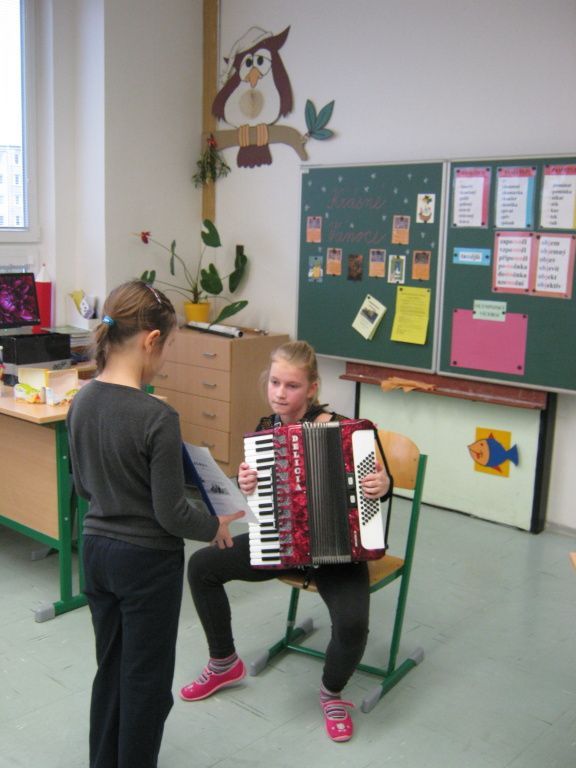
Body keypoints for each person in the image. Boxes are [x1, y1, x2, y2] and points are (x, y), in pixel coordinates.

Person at [67, 280, 243, 768]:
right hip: (146, 565)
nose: (164, 360)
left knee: (111, 671)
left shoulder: (81, 400)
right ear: (150, 340)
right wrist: (214, 525)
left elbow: (83, 488)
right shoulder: (158, 416)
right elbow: (171, 513)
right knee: (146, 684)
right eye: (167, 347)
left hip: (97, 554)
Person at [181, 340, 391, 743]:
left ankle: (331, 694)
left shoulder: (346, 431)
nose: (280, 393)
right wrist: (248, 484)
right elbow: (262, 503)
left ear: (312, 388)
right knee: (202, 566)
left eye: (291, 386)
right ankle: (224, 663)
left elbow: (379, 485)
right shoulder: (267, 431)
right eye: (274, 382)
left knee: (353, 624)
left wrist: (381, 485)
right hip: (282, 544)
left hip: (338, 554)